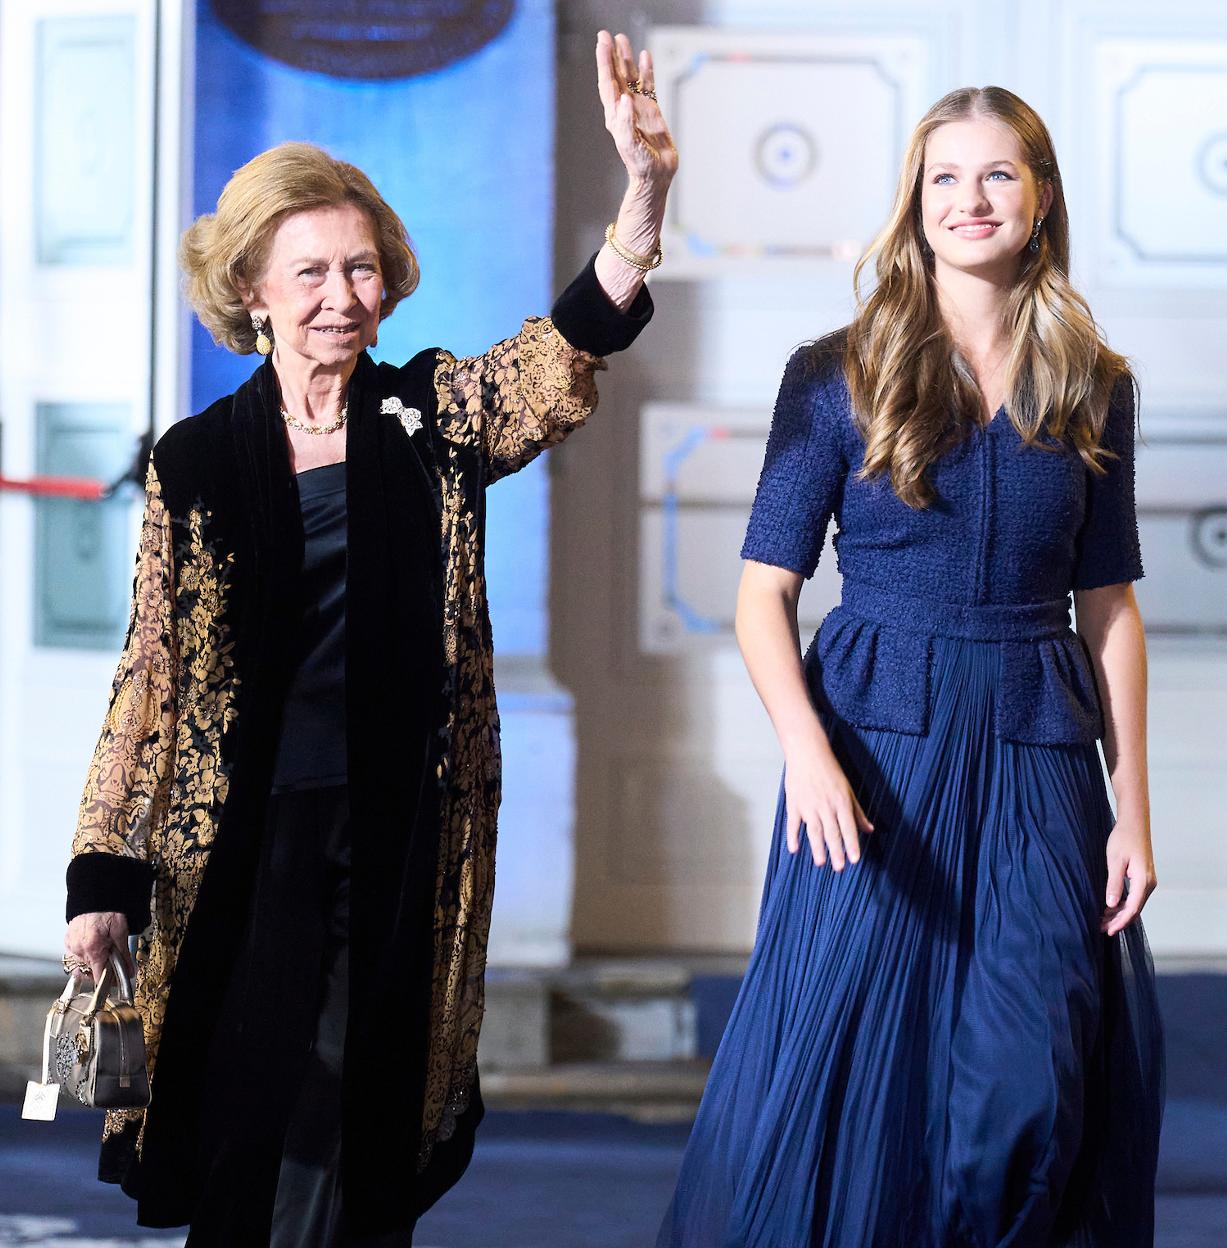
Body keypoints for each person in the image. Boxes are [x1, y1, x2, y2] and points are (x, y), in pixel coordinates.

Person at [60, 30, 676, 1245]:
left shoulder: (432, 416)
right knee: (251, 1103)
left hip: (403, 834)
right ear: (251, 290)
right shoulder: (195, 462)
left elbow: (566, 352)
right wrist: (103, 873)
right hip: (240, 843)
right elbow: (151, 678)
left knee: (362, 1102)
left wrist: (643, 195)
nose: (343, 297)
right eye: (310, 274)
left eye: (361, 270)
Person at [658, 86, 1163, 1247]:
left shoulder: (1097, 383)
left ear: (1039, 202)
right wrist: (807, 758)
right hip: (872, 756)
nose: (970, 199)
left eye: (997, 175)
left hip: (1039, 756)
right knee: (851, 1078)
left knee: (1031, 1084)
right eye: (945, 177)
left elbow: (1112, 606)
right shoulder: (836, 374)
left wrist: (1131, 806)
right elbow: (761, 596)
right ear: (914, 204)